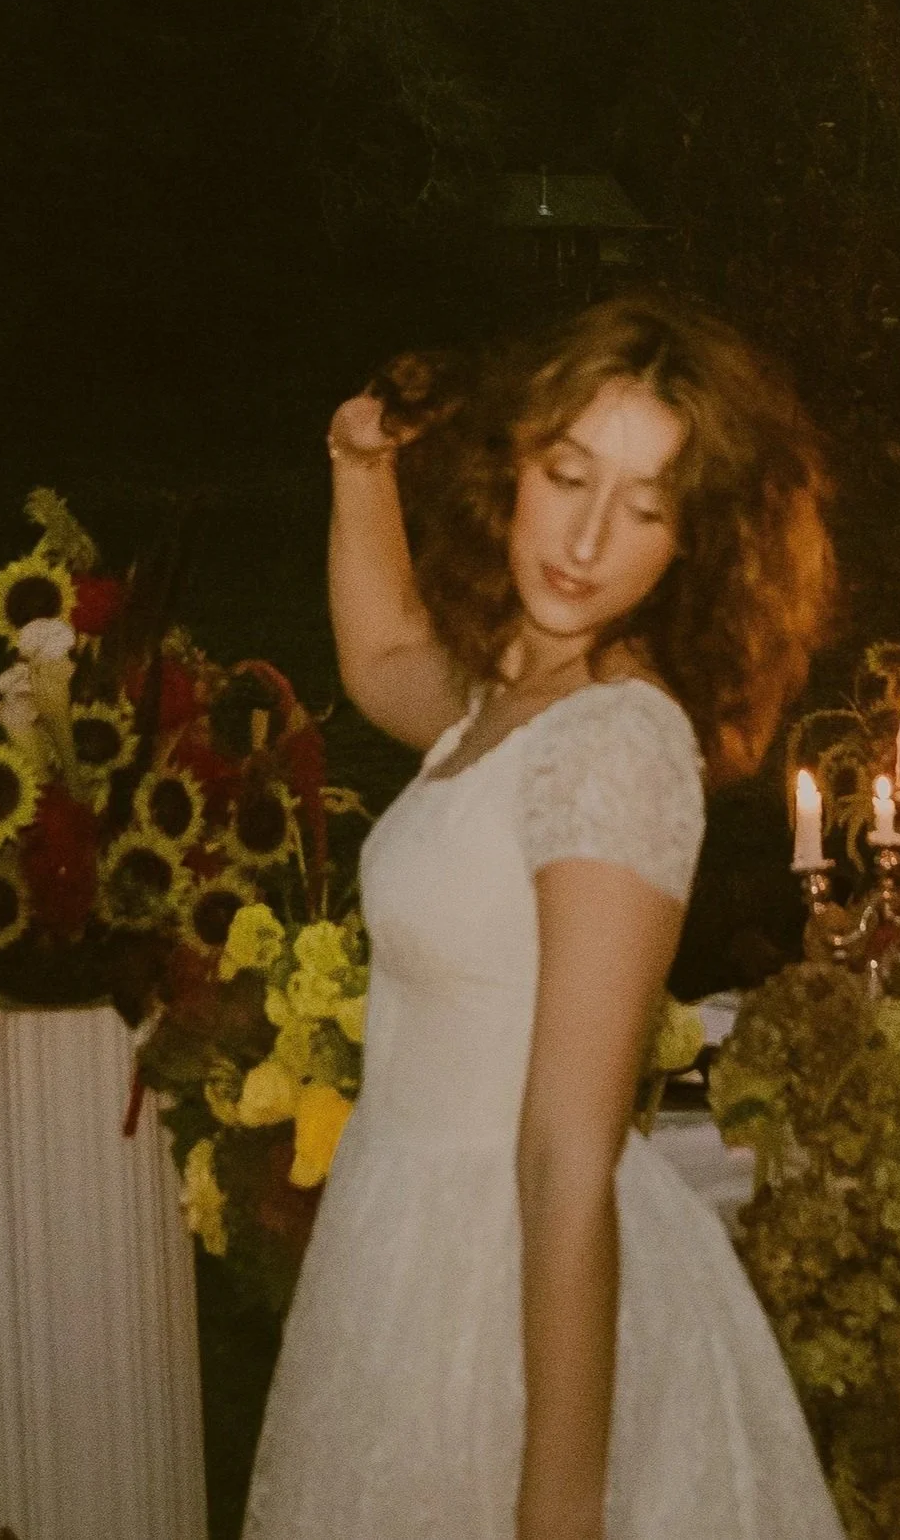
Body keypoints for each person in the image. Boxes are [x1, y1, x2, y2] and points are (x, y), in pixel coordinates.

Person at [241, 292, 848, 1540]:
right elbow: (384, 660)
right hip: (408, 1248)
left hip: (522, 1289)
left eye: (645, 508)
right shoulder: (518, 695)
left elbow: (567, 1150)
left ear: (694, 544)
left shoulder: (620, 743)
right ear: (512, 468)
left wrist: (561, 1505)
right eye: (567, 475)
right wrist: (362, 466)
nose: (583, 539)